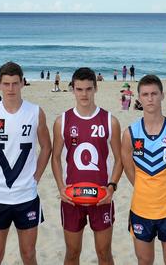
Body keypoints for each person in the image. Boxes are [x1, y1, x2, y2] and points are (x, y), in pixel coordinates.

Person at [0, 62, 52, 265]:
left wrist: (36, 176)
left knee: (28, 255)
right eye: (6, 84)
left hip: (26, 195)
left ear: (22, 84)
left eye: (15, 83)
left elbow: (47, 147)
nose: (10, 89)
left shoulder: (35, 112)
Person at [51, 67, 123, 265]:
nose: (84, 94)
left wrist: (111, 187)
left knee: (104, 253)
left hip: (101, 197)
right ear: (72, 89)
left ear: (95, 89)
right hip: (71, 198)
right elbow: (55, 157)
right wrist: (60, 187)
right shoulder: (62, 121)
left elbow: (119, 159)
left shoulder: (110, 121)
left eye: (88, 89)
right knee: (72, 253)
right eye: (79, 89)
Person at [120, 75, 166, 265]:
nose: (150, 98)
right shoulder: (130, 134)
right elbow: (129, 170)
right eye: (145, 94)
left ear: (162, 95)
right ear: (139, 98)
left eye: (154, 94)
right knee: (144, 261)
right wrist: (145, 188)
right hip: (141, 210)